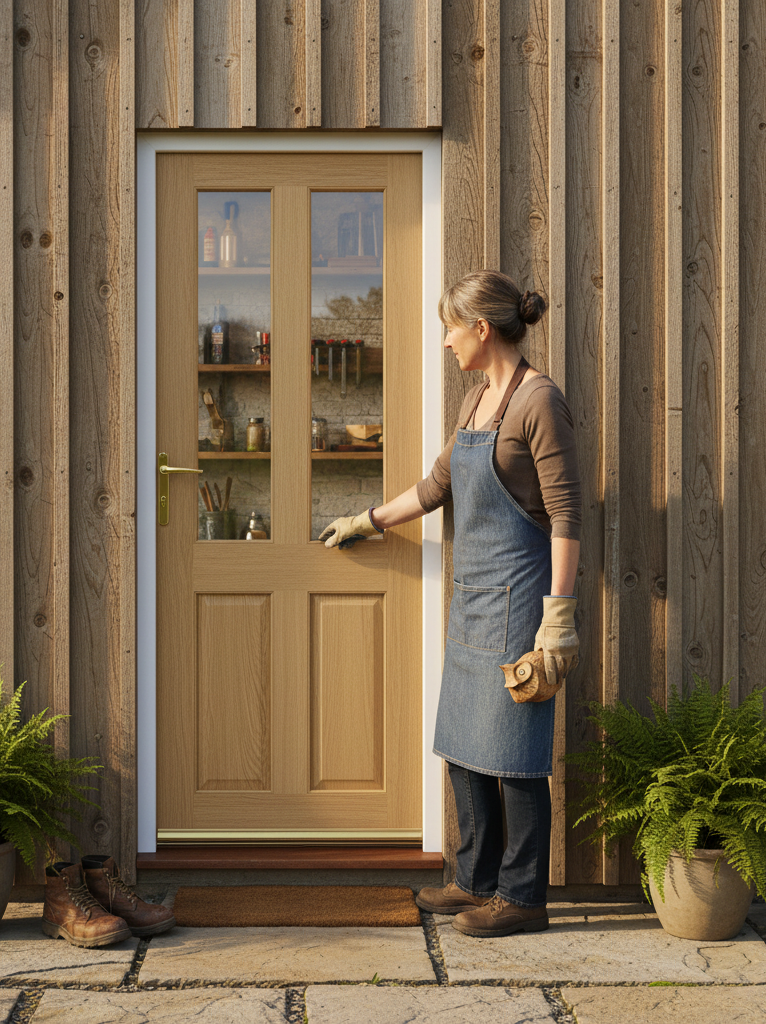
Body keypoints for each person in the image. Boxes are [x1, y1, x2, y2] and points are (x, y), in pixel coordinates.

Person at [319, 270, 581, 937]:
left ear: (482, 329)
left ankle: (522, 897)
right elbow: (437, 486)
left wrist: (558, 616)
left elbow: (566, 515)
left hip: (521, 602)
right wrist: (367, 520)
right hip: (473, 599)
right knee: (464, 741)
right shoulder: (475, 400)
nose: (445, 341)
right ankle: (474, 878)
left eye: (451, 328)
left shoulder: (538, 401)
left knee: (516, 752)